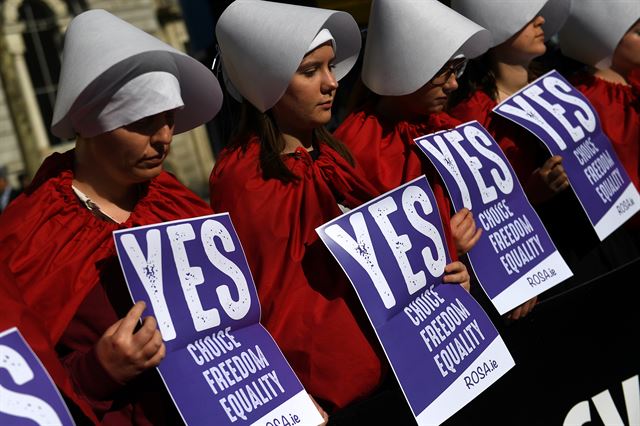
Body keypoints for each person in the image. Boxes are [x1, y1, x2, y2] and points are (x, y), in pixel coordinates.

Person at [210, 0, 470, 422]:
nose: (332, 83)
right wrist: (284, 393)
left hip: (399, 369)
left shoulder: (335, 155)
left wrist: (445, 266)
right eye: (311, 71)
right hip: (324, 396)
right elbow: (249, 303)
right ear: (268, 82)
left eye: (331, 67)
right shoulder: (243, 178)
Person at [0, 10, 223, 424]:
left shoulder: (176, 201)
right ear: (93, 125)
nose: (163, 138)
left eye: (169, 118)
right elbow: (20, 392)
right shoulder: (29, 232)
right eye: (141, 122)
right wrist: (99, 371)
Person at [450, 0, 640, 291]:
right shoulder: (473, 115)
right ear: (497, 34)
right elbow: (480, 205)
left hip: (609, 237)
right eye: (525, 18)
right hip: (559, 257)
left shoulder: (557, 83)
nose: (540, 21)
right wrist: (531, 192)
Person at [334, 0, 490, 263]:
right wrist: (443, 249)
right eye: (443, 71)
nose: (453, 84)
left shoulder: (448, 126)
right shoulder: (356, 144)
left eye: (458, 69)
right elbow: (366, 256)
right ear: (405, 67)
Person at [559, 3, 640, 232]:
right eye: (638, 32)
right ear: (608, 41)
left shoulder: (634, 82)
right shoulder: (585, 98)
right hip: (624, 229)